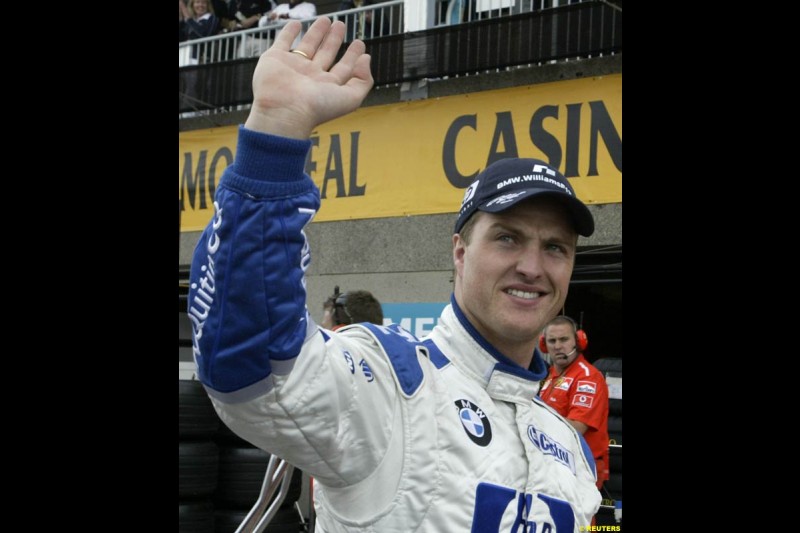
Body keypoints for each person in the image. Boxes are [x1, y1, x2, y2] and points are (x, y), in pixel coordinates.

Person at [188, 17, 601, 531]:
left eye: (555, 247)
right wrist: (276, 132)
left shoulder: (566, 445)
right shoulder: (392, 383)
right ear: (459, 252)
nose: (533, 267)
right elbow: (248, 362)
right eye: (508, 237)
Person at [537, 316, 610, 490]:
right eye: (552, 341)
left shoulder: (587, 377)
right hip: (554, 464)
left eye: (564, 339)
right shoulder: (550, 376)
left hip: (580, 467)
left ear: (578, 342)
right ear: (544, 345)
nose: (557, 346)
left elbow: (576, 428)